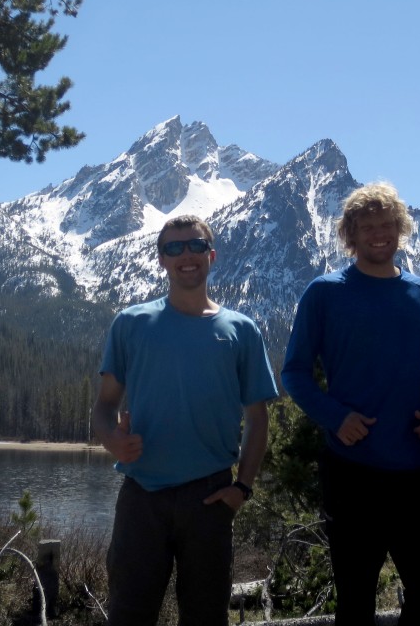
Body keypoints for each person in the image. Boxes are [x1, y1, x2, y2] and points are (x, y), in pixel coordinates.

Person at [281, 182, 420, 625]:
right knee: (356, 598)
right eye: (367, 227)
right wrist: (334, 417)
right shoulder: (325, 292)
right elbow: (295, 373)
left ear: (400, 229)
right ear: (351, 234)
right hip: (351, 469)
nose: (378, 234)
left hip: (419, 469)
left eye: (387, 225)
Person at [92, 214, 278, 626]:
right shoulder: (131, 323)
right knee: (128, 614)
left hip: (210, 496)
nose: (186, 255)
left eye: (195, 246)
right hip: (141, 496)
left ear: (211, 256)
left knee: (206, 616)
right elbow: (104, 407)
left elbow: (258, 420)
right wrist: (112, 441)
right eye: (174, 248)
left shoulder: (241, 330)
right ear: (162, 260)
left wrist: (242, 488)